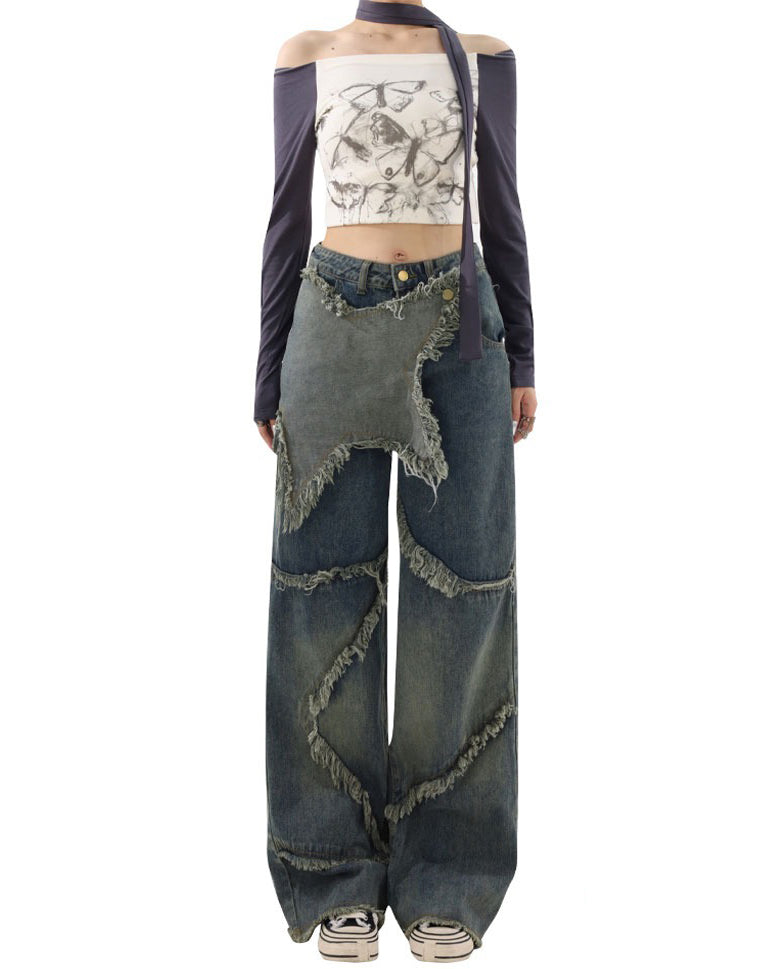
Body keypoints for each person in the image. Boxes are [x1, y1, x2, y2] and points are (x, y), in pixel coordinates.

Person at [253, 1, 537, 961]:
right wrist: (267, 369)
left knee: (465, 589)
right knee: (318, 591)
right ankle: (330, 867)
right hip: (331, 321)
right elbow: (286, 215)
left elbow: (502, 206)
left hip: (461, 328)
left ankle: (447, 875)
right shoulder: (309, 54)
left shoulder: (484, 55)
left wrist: (524, 356)